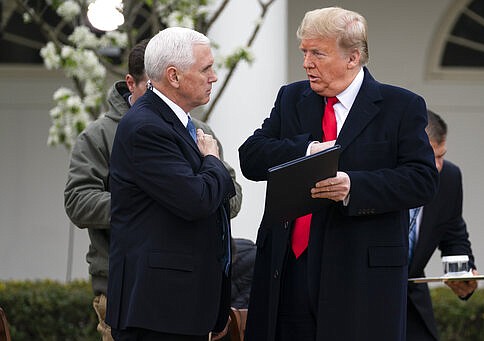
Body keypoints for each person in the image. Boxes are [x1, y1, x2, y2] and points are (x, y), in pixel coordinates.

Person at [238, 7, 439, 341]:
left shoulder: (401, 106)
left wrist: (353, 186)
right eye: (304, 52)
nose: (307, 63)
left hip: (360, 280)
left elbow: (422, 180)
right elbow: (251, 157)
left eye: (318, 53)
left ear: (353, 57)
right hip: (287, 273)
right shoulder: (291, 98)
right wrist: (305, 151)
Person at [64, 36, 242, 340]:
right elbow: (197, 199)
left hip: (181, 304)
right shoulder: (147, 127)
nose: (214, 77)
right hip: (159, 309)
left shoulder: (182, 125)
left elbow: (225, 196)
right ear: (173, 76)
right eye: (206, 69)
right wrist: (211, 161)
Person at [407, 110, 478, 341]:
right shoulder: (381, 177)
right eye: (431, 157)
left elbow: (453, 234)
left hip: (413, 312)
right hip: (364, 303)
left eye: (442, 156)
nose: (438, 166)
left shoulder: (449, 177)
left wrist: (464, 274)